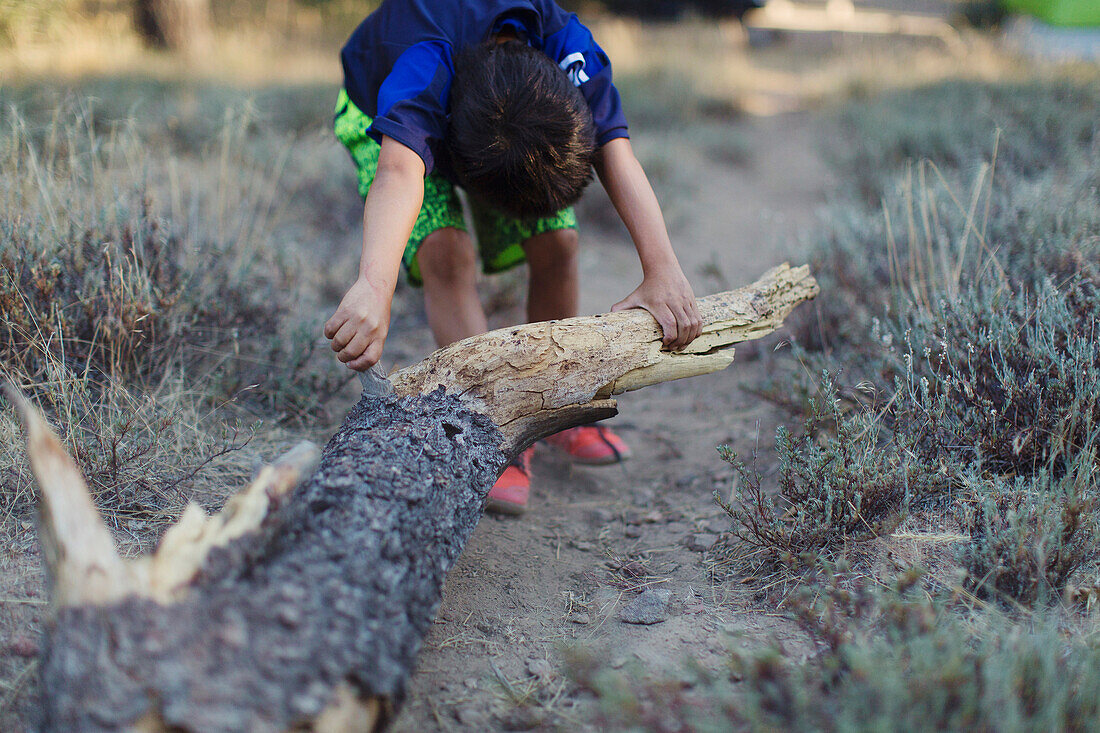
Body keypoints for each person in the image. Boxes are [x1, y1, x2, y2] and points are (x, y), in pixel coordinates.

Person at [325, 0, 702, 514]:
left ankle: (556, 404)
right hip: (378, 110)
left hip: (510, 125)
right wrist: (373, 284)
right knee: (446, 252)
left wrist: (663, 271)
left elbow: (617, 152)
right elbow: (399, 171)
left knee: (558, 241)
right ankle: (490, 429)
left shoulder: (567, 45)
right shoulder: (424, 59)